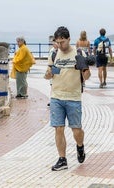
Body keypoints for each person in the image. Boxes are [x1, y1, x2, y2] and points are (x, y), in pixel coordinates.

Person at [44, 26, 91, 171]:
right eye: (58, 42)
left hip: (73, 97)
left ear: (69, 39)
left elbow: (87, 76)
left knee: (76, 130)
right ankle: (62, 159)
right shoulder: (53, 53)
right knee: (58, 128)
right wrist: (48, 74)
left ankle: (80, 146)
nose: (60, 45)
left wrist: (83, 67)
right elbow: (49, 73)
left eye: (63, 42)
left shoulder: (78, 53)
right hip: (56, 96)